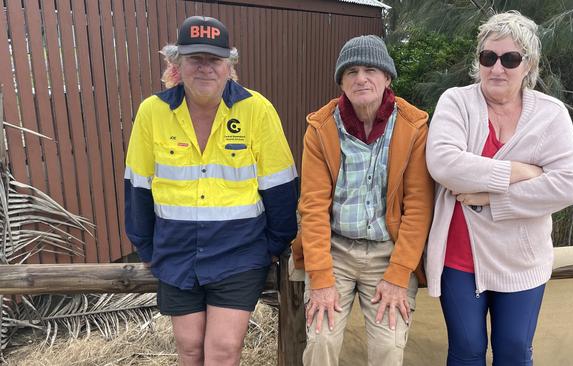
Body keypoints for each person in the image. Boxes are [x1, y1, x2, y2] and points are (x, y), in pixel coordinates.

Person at [124, 15, 298, 366]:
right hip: (176, 253)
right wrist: (146, 245)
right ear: (177, 63)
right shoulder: (152, 112)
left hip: (239, 253)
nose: (205, 68)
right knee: (189, 348)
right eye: (195, 59)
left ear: (229, 64)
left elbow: (281, 186)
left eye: (214, 60)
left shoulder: (256, 110)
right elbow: (137, 185)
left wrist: (272, 245)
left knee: (223, 350)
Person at [425, 11, 573, 365]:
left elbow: (568, 185)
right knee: (466, 351)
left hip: (522, 258)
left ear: (529, 65)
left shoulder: (551, 114)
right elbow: (444, 164)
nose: (497, 68)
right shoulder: (456, 102)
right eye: (488, 58)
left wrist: (493, 199)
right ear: (478, 61)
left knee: (513, 350)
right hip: (461, 257)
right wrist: (521, 171)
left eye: (510, 59)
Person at [290, 35, 434, 366]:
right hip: (334, 250)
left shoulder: (413, 127)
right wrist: (322, 278)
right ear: (341, 80)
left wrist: (399, 274)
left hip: (388, 252)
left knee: (388, 347)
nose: (361, 78)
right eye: (351, 71)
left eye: (371, 69)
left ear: (387, 78)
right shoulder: (322, 127)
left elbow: (418, 208)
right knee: (321, 341)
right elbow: (312, 208)